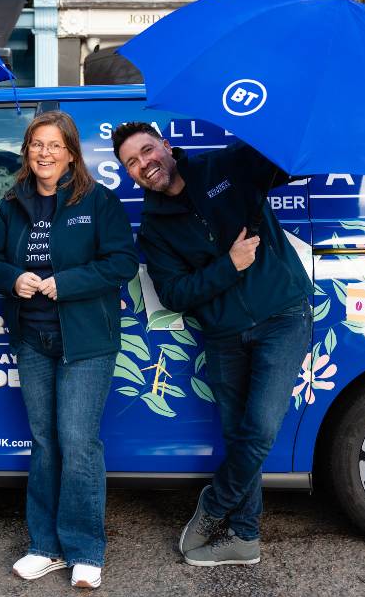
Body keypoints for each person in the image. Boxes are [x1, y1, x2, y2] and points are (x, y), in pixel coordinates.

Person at [113, 122, 312, 567]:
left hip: (282, 316)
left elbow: (290, 163)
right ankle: (245, 535)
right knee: (237, 433)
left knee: (258, 428)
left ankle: (215, 507)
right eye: (132, 162)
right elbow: (176, 294)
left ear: (166, 146)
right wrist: (230, 265)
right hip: (224, 334)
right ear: (129, 174)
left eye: (148, 150)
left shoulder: (226, 165)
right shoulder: (154, 228)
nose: (145, 164)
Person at [0, 111, 138, 589]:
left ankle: (85, 548)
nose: (44, 153)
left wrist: (63, 283)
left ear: (71, 152)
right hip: (33, 338)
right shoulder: (13, 204)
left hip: (85, 341)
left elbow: (122, 262)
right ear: (27, 151)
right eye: (36, 144)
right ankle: (44, 546)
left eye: (53, 145)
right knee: (46, 442)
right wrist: (15, 278)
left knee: (77, 442)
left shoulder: (98, 201)